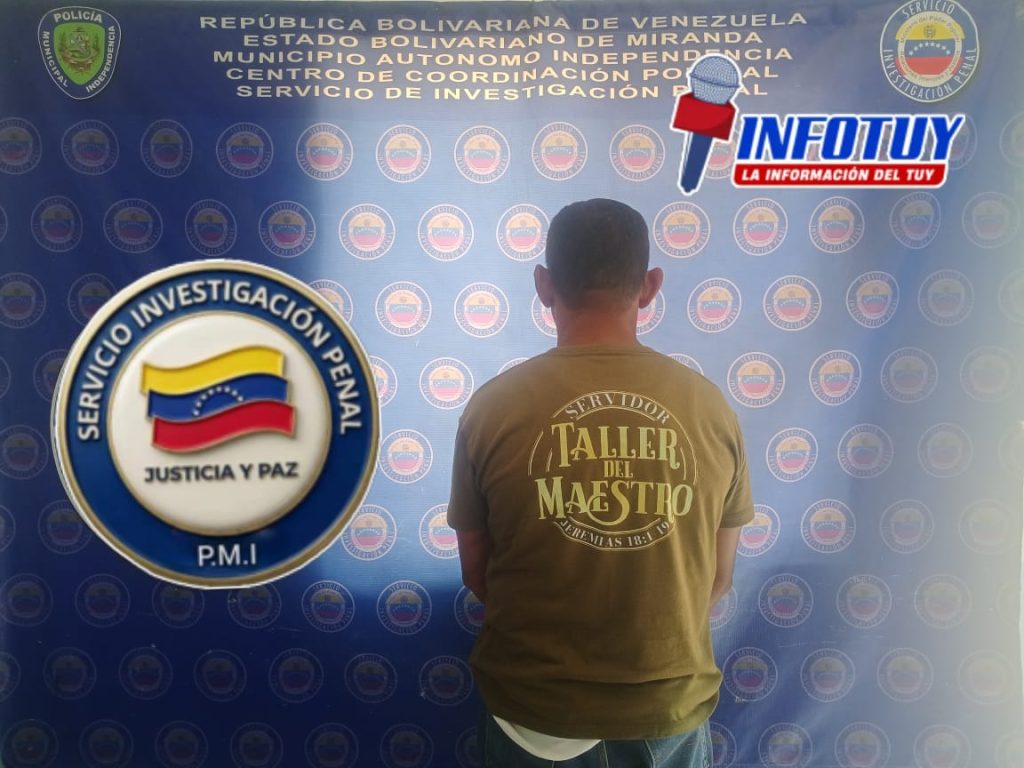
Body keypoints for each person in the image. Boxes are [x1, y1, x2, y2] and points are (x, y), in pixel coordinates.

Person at [448, 198, 754, 768]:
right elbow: (717, 575)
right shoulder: (711, 408)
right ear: (651, 286)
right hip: (668, 711)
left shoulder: (492, 408)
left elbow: (478, 571)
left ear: (543, 285)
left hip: (534, 712)